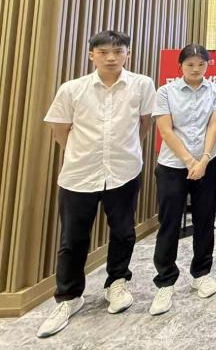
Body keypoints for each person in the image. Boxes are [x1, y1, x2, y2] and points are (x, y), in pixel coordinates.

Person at [38, 30, 156, 338]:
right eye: (103, 52)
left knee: (123, 231)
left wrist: (126, 150)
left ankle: (117, 283)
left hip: (124, 170)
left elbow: (144, 124)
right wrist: (80, 153)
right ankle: (68, 297)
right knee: (72, 239)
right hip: (79, 174)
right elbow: (60, 130)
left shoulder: (142, 85)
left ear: (128, 54)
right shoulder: (72, 89)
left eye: (118, 51)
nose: (111, 57)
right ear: (92, 55)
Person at [149, 45, 216, 315]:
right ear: (180, 66)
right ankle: (165, 280)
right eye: (190, 64)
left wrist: (204, 159)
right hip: (173, 165)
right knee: (169, 222)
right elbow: (165, 130)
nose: (196, 69)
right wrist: (190, 161)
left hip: (208, 163)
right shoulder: (165, 92)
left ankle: (201, 273)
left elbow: (214, 125)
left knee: (205, 219)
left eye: (201, 64)